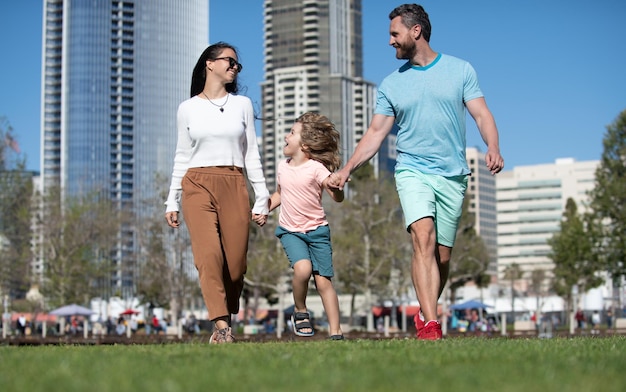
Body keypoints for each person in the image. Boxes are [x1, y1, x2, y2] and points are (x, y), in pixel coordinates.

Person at [329, 4, 504, 340]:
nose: (390, 42)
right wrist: (348, 168)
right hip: (412, 170)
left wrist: (492, 147)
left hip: (452, 174)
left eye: (394, 34)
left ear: (415, 31)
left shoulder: (460, 70)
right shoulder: (392, 84)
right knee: (421, 237)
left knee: (442, 255)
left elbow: (482, 115)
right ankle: (432, 326)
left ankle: (426, 313)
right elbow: (376, 133)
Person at [165, 42, 270, 344]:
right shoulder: (187, 108)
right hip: (196, 183)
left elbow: (252, 153)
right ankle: (221, 326)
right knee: (208, 255)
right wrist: (171, 198)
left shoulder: (243, 105)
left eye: (238, 65)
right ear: (209, 64)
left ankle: (227, 307)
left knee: (235, 266)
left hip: (234, 182)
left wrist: (261, 196)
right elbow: (181, 155)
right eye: (230, 61)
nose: (235, 68)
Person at [262, 112, 345, 340]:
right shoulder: (282, 167)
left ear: (305, 145)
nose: (286, 136)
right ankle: (300, 310)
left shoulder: (316, 168)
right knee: (303, 269)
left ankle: (336, 332)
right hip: (291, 231)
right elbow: (280, 194)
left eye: (291, 132)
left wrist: (336, 187)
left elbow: (336, 196)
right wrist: (262, 208)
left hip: (318, 232)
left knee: (323, 282)